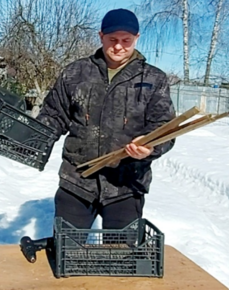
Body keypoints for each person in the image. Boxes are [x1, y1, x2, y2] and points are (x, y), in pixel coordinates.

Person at [37, 8, 176, 231]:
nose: (119, 46)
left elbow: (165, 127)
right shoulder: (75, 73)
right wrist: (32, 139)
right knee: (67, 254)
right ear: (101, 36)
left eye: (126, 40)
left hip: (126, 184)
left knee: (121, 258)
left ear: (137, 39)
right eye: (112, 39)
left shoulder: (153, 79)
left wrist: (150, 146)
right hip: (77, 179)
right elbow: (54, 115)